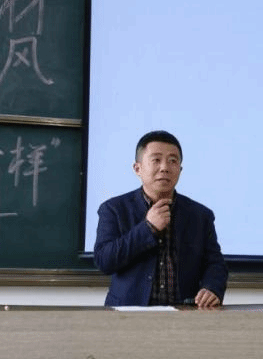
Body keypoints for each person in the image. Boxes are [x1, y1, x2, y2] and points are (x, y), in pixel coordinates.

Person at [94, 130, 228, 308]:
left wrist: (212, 288)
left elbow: (215, 264)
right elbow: (104, 261)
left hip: (185, 313)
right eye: (156, 160)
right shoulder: (113, 209)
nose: (165, 167)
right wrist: (148, 227)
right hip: (128, 313)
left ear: (180, 170)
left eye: (173, 161)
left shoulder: (200, 215)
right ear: (138, 169)